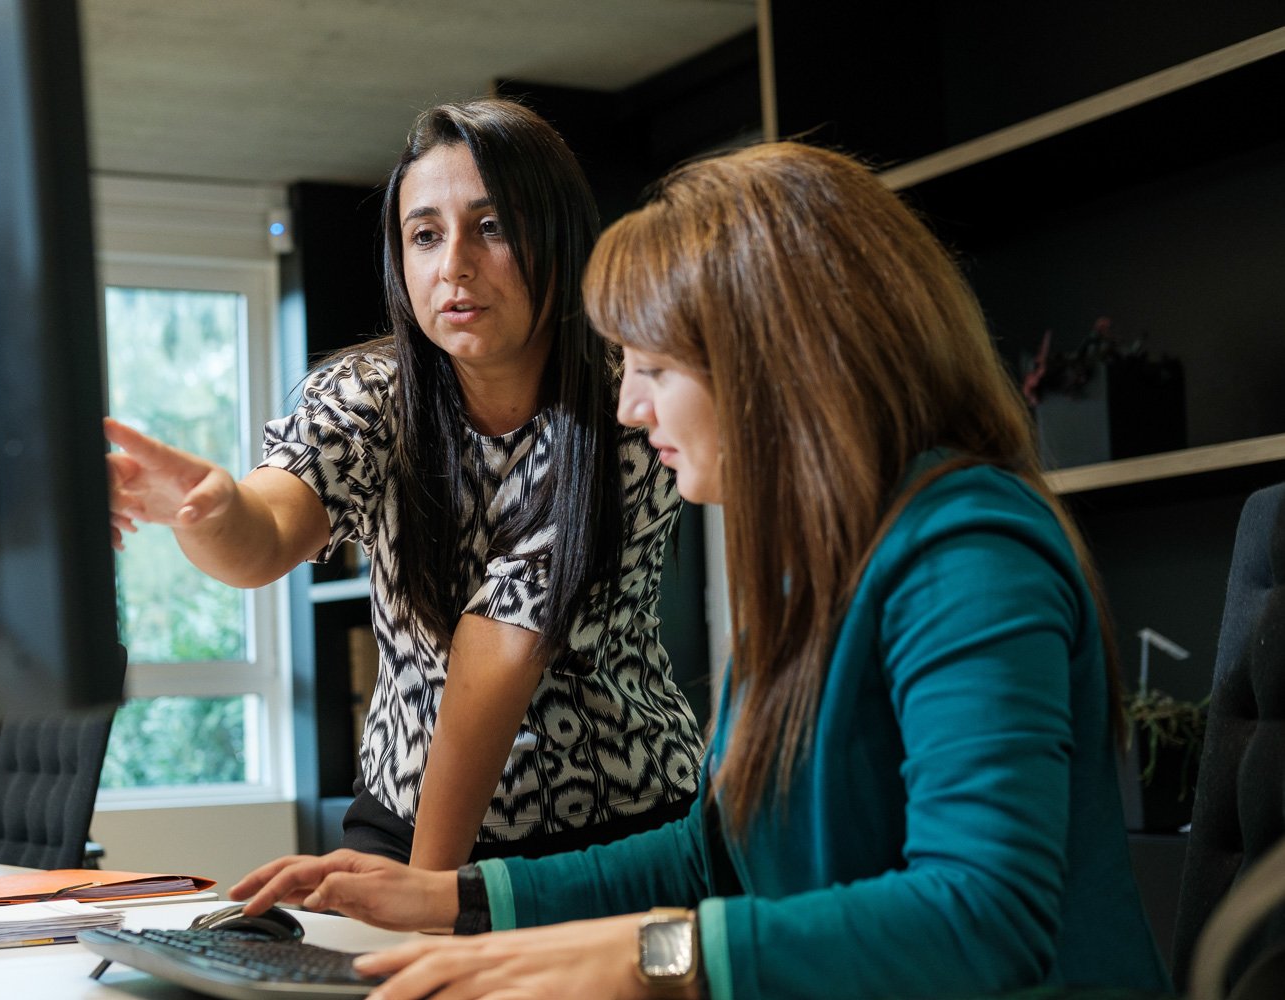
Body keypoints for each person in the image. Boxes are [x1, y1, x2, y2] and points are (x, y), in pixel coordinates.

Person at [223, 141, 1175, 999]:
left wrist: (642, 954)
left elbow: (982, 917)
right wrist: (452, 897)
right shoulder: (816, 564)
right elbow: (712, 855)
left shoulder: (969, 556)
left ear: (781, 361)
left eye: (655, 368)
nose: (629, 408)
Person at [106, 98, 703, 871]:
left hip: (624, 824)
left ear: (558, 236)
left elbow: (499, 655)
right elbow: (268, 532)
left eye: (491, 227)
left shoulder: (632, 408)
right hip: (406, 810)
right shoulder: (370, 394)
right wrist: (212, 513)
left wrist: (428, 897)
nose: (453, 264)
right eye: (425, 235)